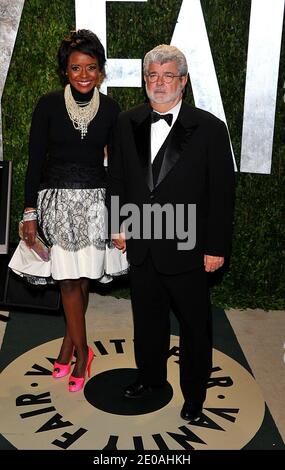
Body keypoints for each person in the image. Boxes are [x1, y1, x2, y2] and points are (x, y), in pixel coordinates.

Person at [107, 44, 235, 421]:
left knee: (195, 327)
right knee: (147, 320)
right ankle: (149, 378)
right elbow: (118, 179)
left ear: (183, 81)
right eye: (152, 75)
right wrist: (117, 222)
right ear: (144, 80)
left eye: (168, 76)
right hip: (143, 245)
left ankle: (194, 395)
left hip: (189, 247)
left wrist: (215, 246)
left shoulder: (210, 128)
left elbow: (222, 194)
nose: (159, 83)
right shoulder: (126, 121)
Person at [10, 30, 128, 392]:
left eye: (91, 67)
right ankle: (82, 352)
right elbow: (34, 163)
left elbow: (119, 167)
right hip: (55, 204)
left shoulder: (110, 110)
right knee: (67, 279)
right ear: (65, 70)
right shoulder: (47, 105)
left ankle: (67, 348)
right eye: (76, 67)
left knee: (82, 276)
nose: (83, 74)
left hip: (94, 204)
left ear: (101, 71)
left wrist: (118, 215)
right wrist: (29, 211)